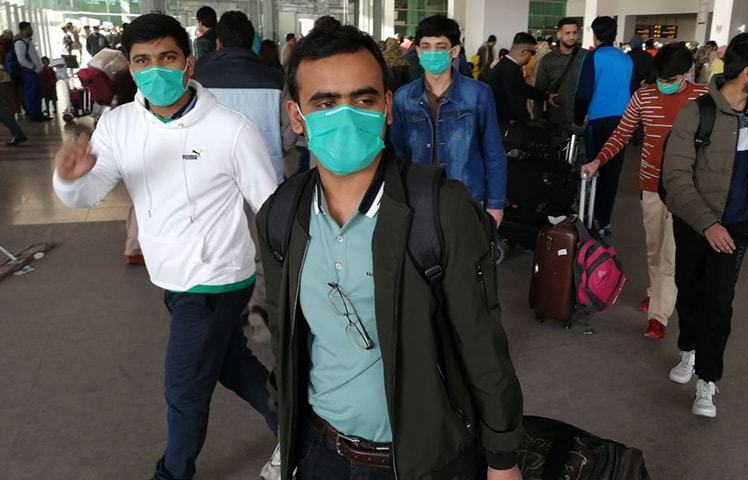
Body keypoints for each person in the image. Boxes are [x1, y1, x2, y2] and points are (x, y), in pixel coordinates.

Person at [257, 22, 524, 480]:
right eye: (324, 102)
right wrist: (288, 428)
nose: (345, 115)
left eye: (362, 100)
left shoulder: (439, 209)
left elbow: (481, 342)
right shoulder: (282, 215)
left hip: (425, 456)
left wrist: (503, 459)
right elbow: (285, 332)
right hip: (322, 449)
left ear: (387, 107)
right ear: (297, 116)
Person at [51, 13, 279, 479]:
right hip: (170, 277)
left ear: (189, 64)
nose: (155, 69)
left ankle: (172, 473)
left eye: (166, 57)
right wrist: (69, 179)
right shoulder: (119, 126)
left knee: (184, 386)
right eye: (142, 60)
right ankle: (301, 425)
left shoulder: (230, 129)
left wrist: (286, 281)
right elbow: (88, 192)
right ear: (130, 69)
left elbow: (271, 207)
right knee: (233, 365)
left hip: (217, 279)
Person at [661, 32, 748, 418]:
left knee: (719, 302)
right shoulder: (697, 113)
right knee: (690, 292)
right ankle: (688, 350)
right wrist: (708, 224)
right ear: (746, 73)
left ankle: (708, 380)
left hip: (739, 224)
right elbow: (676, 178)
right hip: (696, 224)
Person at [581, 43, 708, 340]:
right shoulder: (645, 96)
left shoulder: (701, 97)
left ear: (687, 72)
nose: (664, 86)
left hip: (686, 189)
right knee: (654, 248)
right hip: (651, 185)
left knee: (670, 254)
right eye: (661, 80)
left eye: (671, 80)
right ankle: (655, 292)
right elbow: (623, 132)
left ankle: (659, 316)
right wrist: (599, 159)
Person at [193, 10, 286, 341]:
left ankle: (223, 307)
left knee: (220, 242)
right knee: (261, 246)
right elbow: (289, 135)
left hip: (211, 181)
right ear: (254, 43)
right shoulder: (275, 78)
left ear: (217, 42)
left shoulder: (198, 76)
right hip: (265, 180)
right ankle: (257, 306)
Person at [392, 14, 508, 227]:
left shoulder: (478, 94)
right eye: (425, 46)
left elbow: (493, 152)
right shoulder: (403, 97)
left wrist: (495, 204)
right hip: (418, 196)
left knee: (465, 257)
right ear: (417, 51)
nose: (432, 52)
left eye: (440, 46)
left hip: (466, 196)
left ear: (454, 51)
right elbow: (398, 154)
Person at [574, 16, 634, 238]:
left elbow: (583, 93)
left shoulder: (593, 57)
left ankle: (589, 217)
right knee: (612, 172)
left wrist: (578, 118)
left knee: (593, 167)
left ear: (595, 34)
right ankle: (604, 221)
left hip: (598, 121)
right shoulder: (626, 59)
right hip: (622, 122)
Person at [534, 17, 587, 137]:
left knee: (582, 155)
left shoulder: (587, 57)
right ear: (559, 34)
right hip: (556, 120)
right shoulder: (548, 60)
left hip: (581, 120)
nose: (572, 37)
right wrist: (538, 119)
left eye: (574, 33)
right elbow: (539, 91)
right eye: (567, 33)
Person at [488, 31, 548, 125]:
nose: (533, 56)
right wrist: (527, 122)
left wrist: (546, 96)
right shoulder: (511, 69)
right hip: (505, 125)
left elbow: (522, 88)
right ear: (524, 52)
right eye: (533, 53)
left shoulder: (505, 64)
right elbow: (516, 100)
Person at [14, 22, 48, 121]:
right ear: (23, 30)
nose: (31, 30)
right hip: (29, 74)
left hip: (35, 73)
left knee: (38, 94)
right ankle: (33, 116)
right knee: (31, 95)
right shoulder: (20, 43)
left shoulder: (28, 41)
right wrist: (32, 67)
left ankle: (38, 114)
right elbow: (21, 59)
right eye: (29, 29)